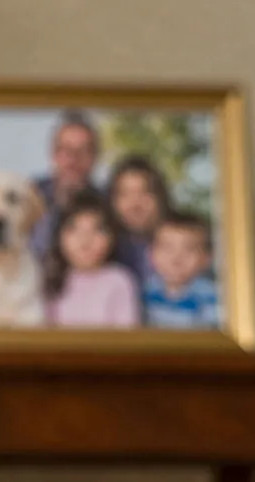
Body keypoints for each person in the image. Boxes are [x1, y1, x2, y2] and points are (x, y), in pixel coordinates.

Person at [44, 190, 140, 328]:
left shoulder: (120, 281)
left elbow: (127, 336)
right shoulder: (52, 280)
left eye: (96, 230)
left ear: (112, 237)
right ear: (59, 237)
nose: (85, 240)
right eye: (74, 229)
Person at [30, 110, 102, 261]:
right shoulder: (31, 195)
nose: (74, 159)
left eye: (83, 151)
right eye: (67, 150)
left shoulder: (107, 204)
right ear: (53, 154)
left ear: (95, 157)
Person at [142, 212, 219, 328]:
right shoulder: (146, 290)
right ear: (150, 254)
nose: (176, 259)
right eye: (167, 248)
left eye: (189, 249)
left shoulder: (211, 296)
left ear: (206, 258)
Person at [108, 155, 171, 283]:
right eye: (125, 194)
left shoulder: (187, 244)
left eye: (145, 192)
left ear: (160, 198)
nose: (135, 204)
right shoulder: (105, 250)